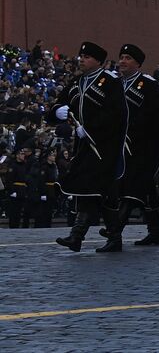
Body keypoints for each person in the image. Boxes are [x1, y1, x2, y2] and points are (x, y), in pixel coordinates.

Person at [52, 42, 127, 252]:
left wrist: (91, 129)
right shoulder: (77, 82)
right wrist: (58, 112)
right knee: (92, 191)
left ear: (97, 61)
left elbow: (116, 114)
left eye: (86, 57)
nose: (81, 60)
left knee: (97, 191)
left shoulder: (110, 82)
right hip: (83, 147)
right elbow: (59, 104)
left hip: (105, 147)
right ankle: (83, 237)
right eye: (81, 56)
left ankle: (92, 237)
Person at [97, 43, 159, 251]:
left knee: (131, 186)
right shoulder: (114, 84)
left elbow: (155, 115)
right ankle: (155, 232)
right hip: (119, 146)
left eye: (127, 58)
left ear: (137, 63)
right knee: (145, 189)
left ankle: (115, 230)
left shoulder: (148, 84)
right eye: (121, 57)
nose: (122, 62)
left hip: (142, 146)